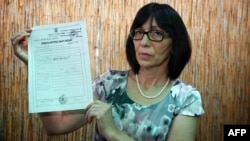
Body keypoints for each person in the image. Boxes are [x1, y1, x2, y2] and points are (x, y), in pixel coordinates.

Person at [11, 2, 204, 141]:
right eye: (138, 32)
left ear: (174, 44)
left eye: (156, 34)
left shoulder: (186, 99)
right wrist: (36, 66)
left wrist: (112, 132)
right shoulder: (108, 84)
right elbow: (55, 125)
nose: (144, 42)